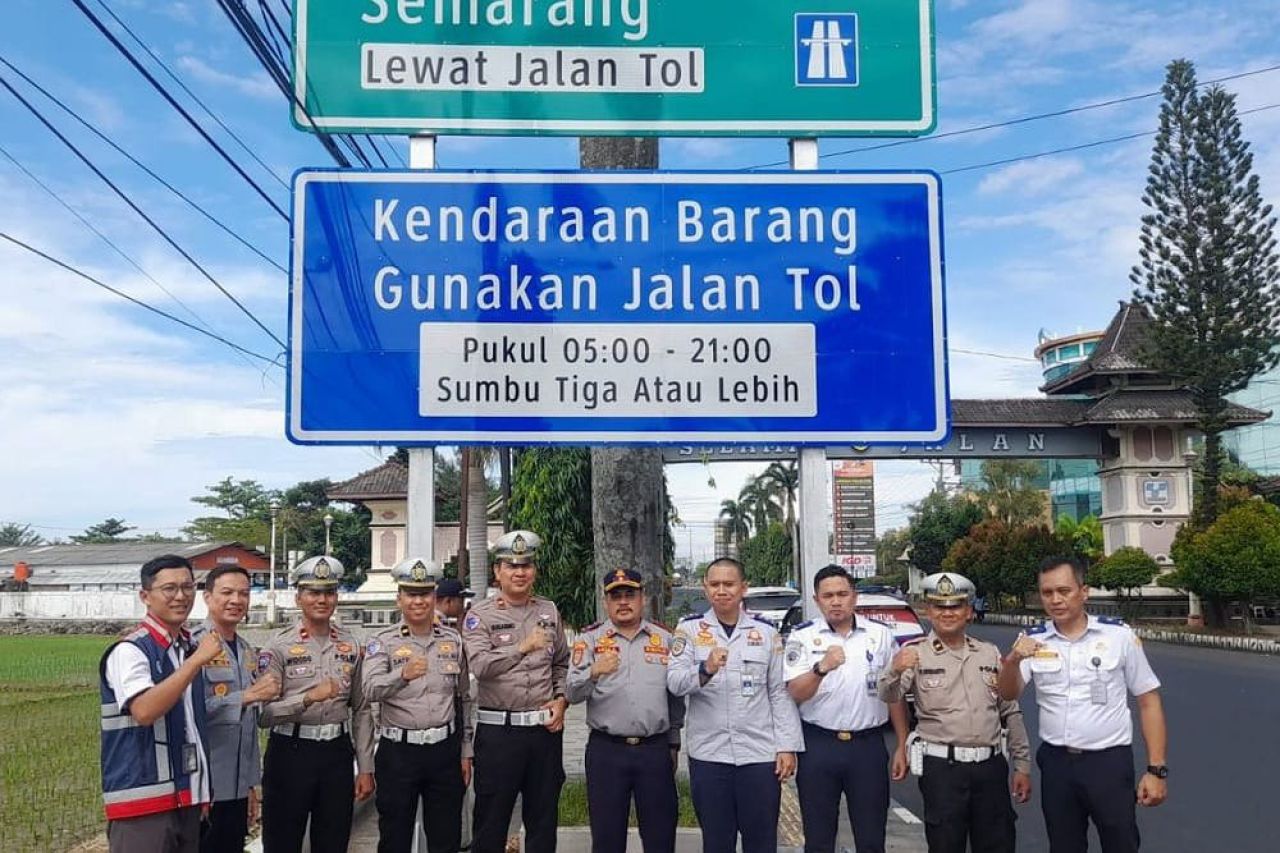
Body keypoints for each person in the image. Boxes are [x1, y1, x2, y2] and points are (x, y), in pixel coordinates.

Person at [997, 556, 1168, 853]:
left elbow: (1148, 701)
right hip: (1057, 764)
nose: (1056, 600)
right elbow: (1008, 693)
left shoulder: (1119, 636)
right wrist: (1012, 660)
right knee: (1063, 845)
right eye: (1047, 592)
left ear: (1084, 592)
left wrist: (1156, 770)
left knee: (1121, 843)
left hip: (1108, 763)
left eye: (1064, 591)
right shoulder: (1032, 641)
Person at [878, 572, 1032, 853]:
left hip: (990, 767)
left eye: (955, 606)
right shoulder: (915, 653)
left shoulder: (988, 653)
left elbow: (1010, 710)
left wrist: (1022, 765)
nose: (947, 613)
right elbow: (889, 696)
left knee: (998, 843)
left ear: (969, 611)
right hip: (943, 770)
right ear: (928, 611)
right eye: (939, 606)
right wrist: (895, 670)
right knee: (945, 844)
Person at [668, 557, 803, 853]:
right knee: (717, 842)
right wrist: (705, 669)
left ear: (744, 588)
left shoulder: (765, 633)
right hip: (710, 755)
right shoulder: (689, 631)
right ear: (705, 588)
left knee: (761, 842)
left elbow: (778, 693)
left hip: (758, 755)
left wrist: (786, 746)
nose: (721, 591)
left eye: (729, 584)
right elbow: (675, 683)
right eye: (714, 584)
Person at [783, 565, 909, 853]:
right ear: (817, 600)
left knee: (871, 838)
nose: (836, 601)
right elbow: (795, 693)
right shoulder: (802, 637)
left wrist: (902, 744)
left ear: (854, 596)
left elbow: (893, 693)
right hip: (819, 745)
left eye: (842, 594)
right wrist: (821, 668)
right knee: (818, 839)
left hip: (867, 747)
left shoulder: (879, 636)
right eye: (828, 596)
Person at [99, 554, 217, 853]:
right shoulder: (131, 651)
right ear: (145, 596)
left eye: (187, 587)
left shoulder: (186, 648)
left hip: (186, 799)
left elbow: (192, 727)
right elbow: (144, 711)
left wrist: (201, 791)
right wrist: (196, 663)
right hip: (143, 804)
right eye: (169, 588)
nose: (181, 596)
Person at [258, 556, 375, 853]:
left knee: (333, 840)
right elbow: (263, 714)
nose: (322, 600)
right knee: (282, 842)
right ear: (298, 597)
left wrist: (365, 767)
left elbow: (362, 709)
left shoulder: (351, 645)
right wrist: (307, 698)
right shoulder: (278, 647)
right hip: (291, 752)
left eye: (329, 592)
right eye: (313, 592)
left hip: (336, 753)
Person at [462, 530, 570, 853]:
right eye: (511, 565)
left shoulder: (548, 611)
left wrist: (561, 699)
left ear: (534, 570)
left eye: (526, 565)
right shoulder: (480, 615)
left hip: (543, 733)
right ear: (497, 571)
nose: (519, 572)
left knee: (543, 823)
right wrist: (522, 647)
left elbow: (561, 663)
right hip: (500, 734)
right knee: (491, 824)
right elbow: (480, 666)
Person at [567, 568, 685, 853]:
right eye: (616, 596)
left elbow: (675, 696)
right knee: (607, 838)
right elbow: (571, 693)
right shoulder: (590, 641)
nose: (623, 602)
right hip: (607, 751)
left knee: (660, 836)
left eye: (629, 595)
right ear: (606, 602)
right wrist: (593, 672)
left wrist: (673, 742)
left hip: (654, 750)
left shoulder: (665, 639)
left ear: (642, 598)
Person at [363, 557, 474, 853]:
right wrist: (402, 675)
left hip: (444, 750)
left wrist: (465, 750)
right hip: (399, 751)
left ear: (434, 597)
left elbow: (463, 698)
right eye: (411, 594)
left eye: (424, 593)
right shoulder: (382, 641)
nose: (418, 601)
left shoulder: (453, 640)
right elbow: (369, 689)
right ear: (399, 598)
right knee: (395, 837)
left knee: (446, 838)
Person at [193, 564, 282, 853]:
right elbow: (189, 713)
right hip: (202, 787)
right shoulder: (192, 646)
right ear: (207, 597)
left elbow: (249, 727)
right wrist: (244, 697)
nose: (236, 600)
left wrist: (250, 785)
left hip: (236, 789)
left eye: (243, 593)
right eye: (227, 592)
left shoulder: (246, 651)